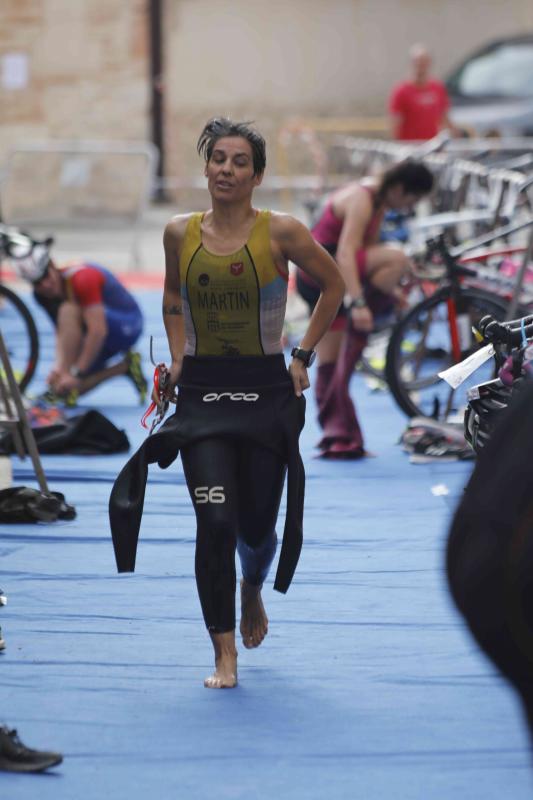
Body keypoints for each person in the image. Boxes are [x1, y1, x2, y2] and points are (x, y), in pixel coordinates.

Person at [109, 117, 344, 690]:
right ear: (206, 167)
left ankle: (252, 587)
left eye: (240, 162)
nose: (227, 170)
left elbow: (333, 286)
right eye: (218, 159)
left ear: (257, 175)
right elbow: (170, 295)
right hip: (203, 394)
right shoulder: (177, 232)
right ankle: (224, 655)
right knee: (215, 521)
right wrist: (178, 357)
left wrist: (303, 356)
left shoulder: (281, 232)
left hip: (265, 390)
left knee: (257, 527)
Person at [297, 160, 434, 458]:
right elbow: (347, 252)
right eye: (411, 200)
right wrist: (359, 302)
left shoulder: (379, 201)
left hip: (327, 276)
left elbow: (364, 252)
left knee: (332, 365)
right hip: (323, 275)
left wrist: (392, 292)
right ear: (399, 188)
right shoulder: (362, 198)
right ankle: (339, 437)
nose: (409, 208)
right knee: (398, 259)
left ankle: (340, 438)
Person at [15, 245, 147, 405]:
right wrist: (58, 369)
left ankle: (72, 373)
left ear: (53, 266)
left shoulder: (82, 279)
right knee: (65, 390)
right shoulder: (41, 296)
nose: (45, 286)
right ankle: (124, 366)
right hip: (98, 325)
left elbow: (98, 331)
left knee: (68, 310)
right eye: (37, 283)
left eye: (46, 276)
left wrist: (75, 372)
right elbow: (62, 331)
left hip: (127, 325)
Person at [389, 43, 456, 141]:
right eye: (417, 62)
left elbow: (444, 116)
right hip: (410, 147)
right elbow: (395, 123)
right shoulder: (401, 91)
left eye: (424, 62)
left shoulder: (437, 88)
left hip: (432, 146)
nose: (421, 66)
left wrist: (455, 134)